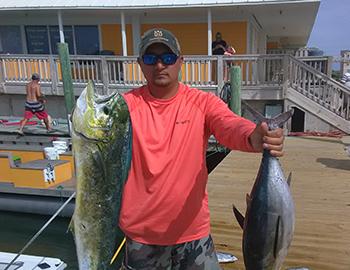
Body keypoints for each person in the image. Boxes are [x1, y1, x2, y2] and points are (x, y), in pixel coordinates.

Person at [119, 28, 285, 269]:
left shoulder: (201, 102)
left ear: (180, 62)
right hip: (142, 237)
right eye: (150, 58)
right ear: (140, 64)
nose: (159, 65)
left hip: (193, 233)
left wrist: (253, 136)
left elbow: (229, 124)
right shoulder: (125, 108)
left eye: (167, 58)